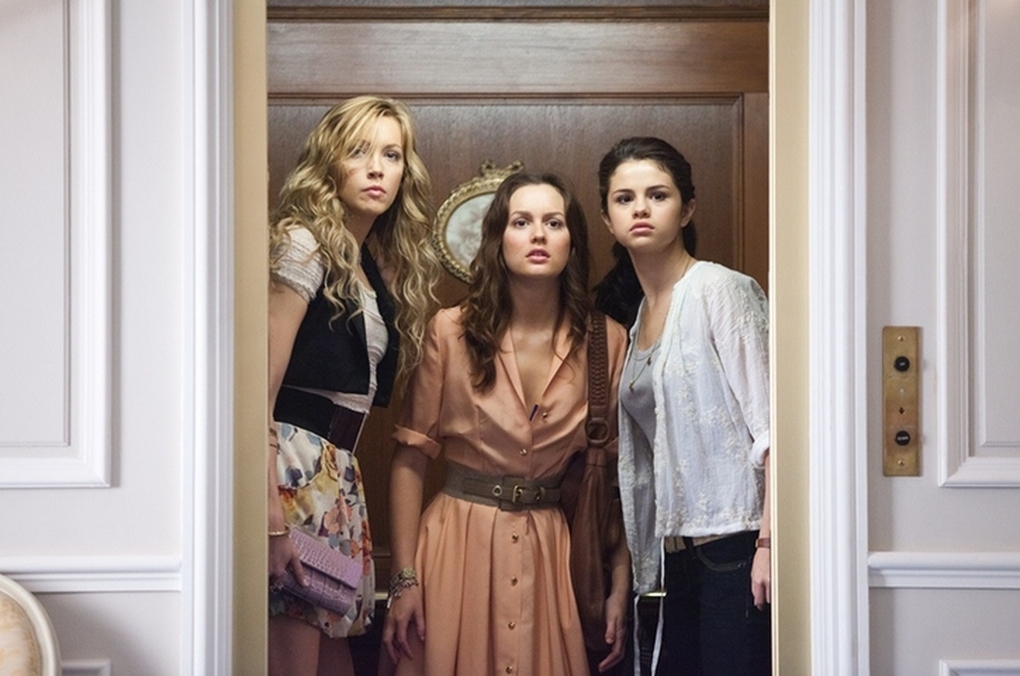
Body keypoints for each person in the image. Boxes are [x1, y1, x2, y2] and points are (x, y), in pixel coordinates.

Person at [382, 171, 631, 675]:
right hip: (457, 547)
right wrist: (404, 579)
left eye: (553, 223)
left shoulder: (606, 342)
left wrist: (619, 587)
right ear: (498, 239)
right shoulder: (450, 331)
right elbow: (410, 459)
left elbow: (620, 478)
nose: (538, 234)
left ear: (573, 242)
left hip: (550, 555)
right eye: (521, 222)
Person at [266, 95, 440, 676]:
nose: (376, 168)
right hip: (290, 471)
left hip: (336, 475)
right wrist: (269, 519)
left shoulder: (364, 262)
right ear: (329, 163)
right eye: (358, 151)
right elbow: (258, 391)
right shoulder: (303, 243)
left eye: (391, 155)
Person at [595, 137, 772, 675]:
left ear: (687, 209)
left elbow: (775, 429)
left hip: (737, 545)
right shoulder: (637, 317)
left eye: (658, 195)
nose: (641, 209)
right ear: (607, 219)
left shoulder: (720, 289)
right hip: (675, 555)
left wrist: (770, 545)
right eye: (624, 199)